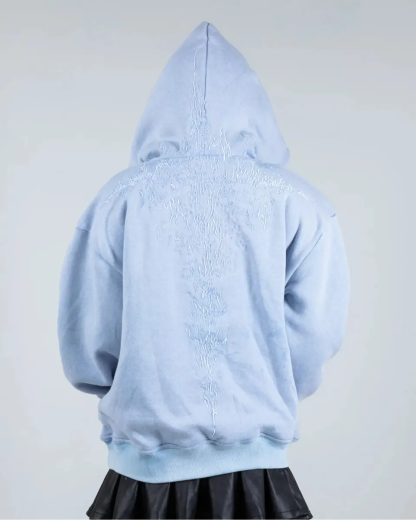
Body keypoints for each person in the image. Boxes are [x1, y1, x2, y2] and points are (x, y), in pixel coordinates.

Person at [57, 21, 350, 520]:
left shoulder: (119, 201)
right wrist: (262, 385)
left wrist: (139, 389)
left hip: (142, 474)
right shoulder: (301, 205)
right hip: (259, 480)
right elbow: (314, 336)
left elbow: (87, 338)